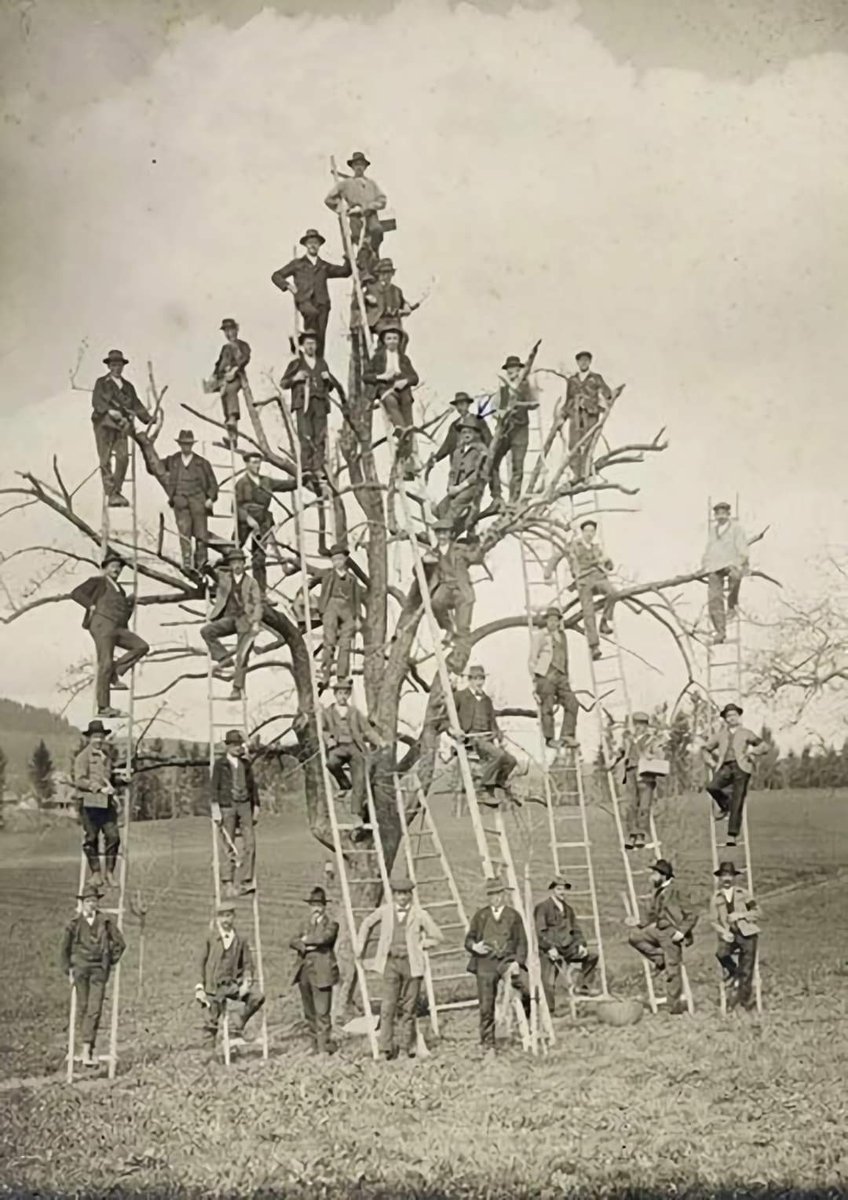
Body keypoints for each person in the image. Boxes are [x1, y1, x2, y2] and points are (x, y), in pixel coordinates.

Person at [356, 878, 442, 1061]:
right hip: (391, 964)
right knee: (388, 1007)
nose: (402, 898)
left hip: (412, 965)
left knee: (409, 1009)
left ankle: (405, 1048)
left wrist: (423, 944)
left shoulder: (419, 914)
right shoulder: (385, 911)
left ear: (410, 895)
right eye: (399, 894)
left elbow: (437, 935)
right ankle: (385, 1048)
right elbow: (367, 923)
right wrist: (360, 945)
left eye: (405, 894)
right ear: (394, 895)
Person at [70, 552, 149, 718]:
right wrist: (90, 605)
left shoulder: (119, 589)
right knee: (104, 663)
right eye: (113, 566)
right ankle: (104, 707)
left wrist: (129, 604)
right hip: (102, 625)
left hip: (117, 627)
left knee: (141, 646)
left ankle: (116, 670)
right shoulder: (98, 581)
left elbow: (124, 617)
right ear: (105, 568)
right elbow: (76, 593)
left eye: (119, 567)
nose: (117, 570)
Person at [61, 882, 126, 1068]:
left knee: (94, 1009)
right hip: (80, 970)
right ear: (82, 903)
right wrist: (68, 970)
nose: (91, 904)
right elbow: (63, 949)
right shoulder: (74, 924)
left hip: (99, 971)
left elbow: (121, 944)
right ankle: (81, 1048)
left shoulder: (105, 922)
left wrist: (109, 961)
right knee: (82, 1007)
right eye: (88, 901)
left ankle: (87, 1048)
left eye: (94, 901)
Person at [625, 858, 696, 1014]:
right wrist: (638, 922)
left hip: (672, 932)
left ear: (663, 875)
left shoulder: (677, 891)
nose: (651, 877)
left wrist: (682, 932)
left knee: (673, 969)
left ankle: (673, 1005)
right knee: (634, 937)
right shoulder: (658, 892)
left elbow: (692, 914)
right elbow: (652, 916)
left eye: (654, 874)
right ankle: (659, 958)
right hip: (658, 929)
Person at [465, 878, 528, 1054]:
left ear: (504, 895)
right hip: (485, 963)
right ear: (488, 896)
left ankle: (523, 1029)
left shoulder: (513, 916)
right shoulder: (481, 916)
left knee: (526, 989)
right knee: (486, 1004)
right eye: (492, 894)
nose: (496, 898)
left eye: (499, 893)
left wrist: (518, 962)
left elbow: (522, 942)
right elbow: (469, 939)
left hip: (506, 961)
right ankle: (487, 1042)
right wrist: (474, 946)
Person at [195, 900, 265, 1057]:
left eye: (229, 916)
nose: (226, 920)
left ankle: (238, 1021)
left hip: (233, 985)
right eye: (222, 916)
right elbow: (200, 963)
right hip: (213, 988)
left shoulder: (240, 940)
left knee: (257, 997)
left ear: (234, 917)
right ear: (217, 919)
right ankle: (209, 1058)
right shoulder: (210, 938)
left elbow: (248, 964)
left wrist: (247, 982)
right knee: (210, 1022)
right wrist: (199, 987)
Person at [280, 331, 345, 485]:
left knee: (320, 436)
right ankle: (307, 467)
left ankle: (318, 467)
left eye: (313, 344)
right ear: (303, 345)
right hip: (303, 403)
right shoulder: (296, 363)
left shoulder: (322, 363)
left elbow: (329, 387)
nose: (311, 346)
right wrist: (296, 378)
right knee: (305, 434)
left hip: (320, 403)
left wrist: (328, 381)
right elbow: (283, 383)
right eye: (308, 343)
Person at [271, 229, 352, 354]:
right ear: (306, 245)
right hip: (305, 301)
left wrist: (348, 256)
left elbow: (345, 272)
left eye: (315, 243)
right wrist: (288, 286)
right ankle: (300, 342)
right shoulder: (297, 264)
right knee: (311, 321)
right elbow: (276, 276)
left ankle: (318, 364)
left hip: (322, 303)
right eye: (310, 243)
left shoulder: (323, 266)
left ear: (319, 245)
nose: (313, 245)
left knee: (320, 336)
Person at [201, 547, 264, 701]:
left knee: (243, 656)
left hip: (245, 619)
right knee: (207, 631)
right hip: (229, 618)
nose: (236, 565)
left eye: (239, 562)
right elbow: (208, 570)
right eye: (233, 562)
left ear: (244, 564)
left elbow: (257, 603)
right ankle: (223, 658)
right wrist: (216, 562)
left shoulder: (251, 582)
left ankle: (237, 689)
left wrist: (255, 622)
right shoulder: (225, 578)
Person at [91, 349, 152, 506]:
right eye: (113, 365)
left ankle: (115, 491)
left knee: (123, 457)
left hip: (121, 426)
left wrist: (148, 418)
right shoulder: (101, 383)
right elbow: (97, 402)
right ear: (109, 366)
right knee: (105, 459)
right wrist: (109, 411)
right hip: (104, 424)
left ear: (123, 366)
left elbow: (136, 404)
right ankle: (111, 492)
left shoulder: (128, 387)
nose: (116, 368)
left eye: (119, 365)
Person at [702, 703, 766, 847]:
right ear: (725, 719)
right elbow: (706, 749)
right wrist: (711, 762)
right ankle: (725, 805)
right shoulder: (720, 735)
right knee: (712, 787)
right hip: (725, 767)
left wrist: (752, 752)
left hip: (742, 768)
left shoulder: (746, 733)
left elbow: (764, 746)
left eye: (734, 715)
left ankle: (732, 835)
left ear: (739, 716)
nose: (732, 718)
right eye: (729, 716)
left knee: (738, 799)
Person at [324, 678, 384, 828]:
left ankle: (356, 816)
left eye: (345, 693)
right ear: (335, 695)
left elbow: (367, 730)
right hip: (338, 747)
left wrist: (379, 742)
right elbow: (322, 730)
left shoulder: (355, 712)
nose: (343, 696)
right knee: (331, 763)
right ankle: (344, 784)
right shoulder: (327, 712)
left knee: (359, 780)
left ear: (348, 695)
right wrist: (328, 739)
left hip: (354, 747)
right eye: (340, 693)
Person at [534, 877, 599, 1014]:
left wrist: (581, 944)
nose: (562, 892)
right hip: (550, 949)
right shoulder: (543, 908)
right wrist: (549, 948)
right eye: (558, 889)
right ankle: (549, 1012)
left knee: (592, 957)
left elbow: (576, 929)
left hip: (567, 947)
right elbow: (540, 932)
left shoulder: (568, 909)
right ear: (553, 890)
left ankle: (582, 987)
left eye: (564, 889)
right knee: (548, 980)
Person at [424, 520, 484, 669]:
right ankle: (449, 628)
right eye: (439, 533)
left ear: (450, 534)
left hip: (462, 591)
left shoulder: (460, 548)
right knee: (436, 602)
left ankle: (460, 659)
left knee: (463, 627)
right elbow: (418, 570)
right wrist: (424, 562)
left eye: (444, 533)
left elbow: (476, 558)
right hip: (446, 588)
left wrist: (478, 542)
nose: (442, 536)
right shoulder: (433, 552)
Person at [235, 451, 297, 594]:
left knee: (259, 558)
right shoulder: (241, 483)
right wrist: (248, 519)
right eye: (254, 462)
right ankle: (229, 585)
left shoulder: (266, 481)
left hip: (263, 520)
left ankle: (260, 593)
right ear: (247, 464)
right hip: (245, 520)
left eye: (259, 462)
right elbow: (235, 507)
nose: (257, 466)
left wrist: (302, 479)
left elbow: (287, 485)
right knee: (235, 551)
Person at [455, 665, 517, 804]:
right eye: (476, 679)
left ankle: (499, 781)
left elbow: (492, 722)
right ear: (469, 680)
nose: (479, 682)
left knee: (511, 760)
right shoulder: (459, 696)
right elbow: (448, 718)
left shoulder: (487, 700)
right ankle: (482, 790)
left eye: (481, 679)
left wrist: (498, 733)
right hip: (471, 740)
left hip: (487, 739)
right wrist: (455, 731)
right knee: (498, 755)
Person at [72, 720, 122, 889]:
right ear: (89, 739)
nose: (99, 740)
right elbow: (79, 780)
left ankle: (109, 872)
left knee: (113, 836)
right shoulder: (83, 757)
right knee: (91, 839)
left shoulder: (106, 757)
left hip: (106, 804)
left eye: (101, 737)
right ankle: (95, 872)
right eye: (95, 737)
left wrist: (123, 781)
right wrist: (99, 789)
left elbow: (110, 779)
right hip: (89, 803)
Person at [290, 886, 340, 1054]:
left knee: (322, 1012)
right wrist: (305, 944)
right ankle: (314, 1046)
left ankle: (324, 1047)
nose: (316, 909)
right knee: (309, 1012)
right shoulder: (304, 923)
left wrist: (306, 941)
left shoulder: (332, 924)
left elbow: (324, 939)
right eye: (313, 905)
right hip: (304, 972)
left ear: (324, 906)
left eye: (319, 905)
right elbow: (292, 940)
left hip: (323, 972)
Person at [362, 326, 420, 472]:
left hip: (403, 389)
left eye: (395, 338)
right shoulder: (378, 358)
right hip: (386, 387)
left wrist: (405, 381)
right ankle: (400, 429)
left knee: (409, 421)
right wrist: (381, 377)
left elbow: (414, 377)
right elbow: (366, 376)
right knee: (390, 402)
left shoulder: (404, 358)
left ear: (399, 341)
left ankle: (408, 463)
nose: (392, 341)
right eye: (389, 338)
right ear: (384, 341)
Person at [161, 430, 219, 575]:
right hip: (180, 501)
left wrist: (210, 499)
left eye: (188, 444)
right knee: (184, 532)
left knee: (201, 534)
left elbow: (213, 485)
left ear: (192, 445)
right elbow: (153, 466)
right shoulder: (173, 460)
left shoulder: (202, 463)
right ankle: (187, 563)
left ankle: (201, 564)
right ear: (179, 444)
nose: (186, 447)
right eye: (183, 444)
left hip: (198, 501)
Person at [210, 729, 260, 897]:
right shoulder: (220, 764)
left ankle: (247, 881)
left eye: (239, 745)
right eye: (234, 745)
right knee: (227, 844)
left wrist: (257, 806)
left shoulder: (245, 764)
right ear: (228, 746)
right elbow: (213, 787)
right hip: (227, 805)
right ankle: (228, 882)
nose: (237, 748)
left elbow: (253, 786)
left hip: (245, 805)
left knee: (251, 843)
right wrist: (215, 808)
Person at [709, 861, 760, 1012]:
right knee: (721, 953)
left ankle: (745, 1001)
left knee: (747, 967)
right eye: (724, 875)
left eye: (729, 875)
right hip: (728, 934)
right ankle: (734, 973)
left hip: (747, 933)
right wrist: (723, 932)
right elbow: (712, 921)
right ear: (720, 878)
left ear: (734, 877)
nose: (727, 879)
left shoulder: (743, 894)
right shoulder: (716, 898)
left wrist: (741, 915)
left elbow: (758, 912)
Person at [490, 354, 539, 503]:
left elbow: (534, 403)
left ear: (519, 369)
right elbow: (495, 408)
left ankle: (513, 499)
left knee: (518, 466)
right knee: (491, 461)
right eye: (509, 368)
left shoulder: (525, 385)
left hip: (520, 430)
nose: (512, 371)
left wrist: (518, 405)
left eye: (514, 368)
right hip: (505, 430)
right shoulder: (504, 387)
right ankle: (496, 496)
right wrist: (499, 413)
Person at [566, 518, 616, 661]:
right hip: (584, 581)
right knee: (588, 612)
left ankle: (605, 621)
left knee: (613, 593)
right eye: (586, 531)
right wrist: (597, 562)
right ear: (582, 532)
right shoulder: (575, 546)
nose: (589, 534)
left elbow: (609, 566)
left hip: (598, 578)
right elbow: (576, 565)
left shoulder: (596, 547)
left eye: (592, 531)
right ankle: (594, 646)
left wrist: (607, 560)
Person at [528, 607, 578, 749]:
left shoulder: (562, 636)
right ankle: (549, 738)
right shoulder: (541, 636)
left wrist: (567, 676)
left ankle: (567, 735)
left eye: (555, 620)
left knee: (572, 703)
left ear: (558, 622)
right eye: (550, 620)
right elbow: (532, 659)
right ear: (546, 621)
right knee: (547, 707)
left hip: (561, 676)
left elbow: (565, 658)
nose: (553, 623)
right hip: (546, 675)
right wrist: (535, 680)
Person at [702, 501, 750, 644]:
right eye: (718, 513)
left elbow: (743, 548)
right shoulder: (713, 531)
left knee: (735, 577)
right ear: (715, 516)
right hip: (715, 566)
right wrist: (705, 564)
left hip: (730, 563)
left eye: (723, 513)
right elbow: (708, 549)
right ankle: (720, 631)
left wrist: (742, 562)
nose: (720, 516)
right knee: (714, 599)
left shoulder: (736, 529)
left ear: (728, 514)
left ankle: (731, 605)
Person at [325, 151, 388, 255]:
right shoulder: (346, 183)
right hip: (355, 216)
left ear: (365, 167)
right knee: (358, 240)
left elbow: (382, 200)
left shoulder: (371, 184)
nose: (359, 167)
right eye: (356, 165)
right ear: (352, 167)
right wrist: (343, 209)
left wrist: (370, 206)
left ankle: (373, 253)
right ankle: (361, 257)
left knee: (377, 231)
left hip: (370, 215)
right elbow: (329, 199)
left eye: (361, 165)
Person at [318, 544, 365, 685]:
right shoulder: (329, 576)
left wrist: (357, 617)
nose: (337, 562)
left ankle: (341, 675)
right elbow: (324, 593)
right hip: (332, 606)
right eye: (334, 560)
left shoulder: (352, 579)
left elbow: (356, 599)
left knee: (346, 644)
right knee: (329, 641)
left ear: (345, 560)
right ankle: (325, 674)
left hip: (347, 609)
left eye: (340, 559)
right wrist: (323, 611)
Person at [566, 351, 615, 480]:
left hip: (591, 414)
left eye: (586, 360)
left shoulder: (596, 378)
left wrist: (606, 399)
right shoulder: (572, 380)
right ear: (577, 363)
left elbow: (607, 393)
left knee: (588, 443)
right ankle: (576, 474)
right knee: (573, 444)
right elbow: (568, 398)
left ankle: (585, 472)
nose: (583, 363)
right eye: (581, 360)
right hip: (576, 416)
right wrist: (567, 412)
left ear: (590, 362)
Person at [616, 711, 662, 850]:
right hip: (631, 772)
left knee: (644, 806)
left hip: (646, 775)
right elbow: (621, 753)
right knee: (630, 805)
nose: (639, 727)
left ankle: (641, 835)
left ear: (646, 726)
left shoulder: (652, 739)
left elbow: (659, 754)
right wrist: (613, 760)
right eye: (636, 724)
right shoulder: (629, 740)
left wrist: (650, 755)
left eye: (642, 725)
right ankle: (632, 835)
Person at [434, 415, 489, 530]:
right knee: (441, 508)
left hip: (472, 487)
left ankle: (444, 531)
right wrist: (450, 487)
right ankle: (452, 529)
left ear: (475, 434)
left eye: (470, 432)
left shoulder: (481, 450)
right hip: (457, 488)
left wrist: (460, 487)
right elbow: (453, 472)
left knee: (455, 505)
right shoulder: (458, 452)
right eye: (464, 432)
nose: (467, 434)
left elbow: (479, 473)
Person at [204, 318, 251, 447]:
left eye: (231, 330)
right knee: (224, 398)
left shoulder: (242, 345)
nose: (229, 333)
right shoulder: (225, 348)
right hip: (224, 378)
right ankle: (232, 436)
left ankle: (232, 419)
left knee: (230, 391)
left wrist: (235, 369)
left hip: (237, 377)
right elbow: (219, 363)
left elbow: (245, 358)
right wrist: (214, 376)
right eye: (226, 331)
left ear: (236, 330)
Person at [424, 392, 492, 481]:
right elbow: (447, 445)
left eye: (462, 404)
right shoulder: (454, 425)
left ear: (468, 405)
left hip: (474, 465)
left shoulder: (478, 421)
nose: (460, 408)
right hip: (457, 468)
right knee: (454, 490)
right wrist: (436, 458)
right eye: (458, 405)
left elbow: (489, 441)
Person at [364, 257, 417, 344]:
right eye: (384, 273)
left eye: (389, 273)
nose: (386, 276)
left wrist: (406, 308)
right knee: (386, 334)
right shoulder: (371, 289)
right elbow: (361, 304)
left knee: (403, 337)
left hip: (393, 321)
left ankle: (397, 356)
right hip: (378, 321)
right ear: (379, 274)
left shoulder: (396, 290)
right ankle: (381, 355)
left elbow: (403, 304)